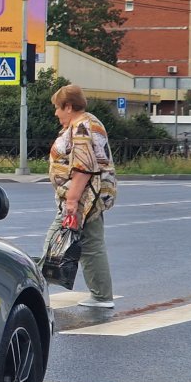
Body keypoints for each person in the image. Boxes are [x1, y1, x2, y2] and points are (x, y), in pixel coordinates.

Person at [47, 84, 118, 308]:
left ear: (69, 106)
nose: (56, 113)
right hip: (91, 196)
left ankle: (36, 294)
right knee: (91, 244)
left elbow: (83, 167)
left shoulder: (82, 127)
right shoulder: (88, 122)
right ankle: (101, 295)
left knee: (53, 241)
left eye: (58, 108)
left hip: (84, 198)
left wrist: (71, 201)